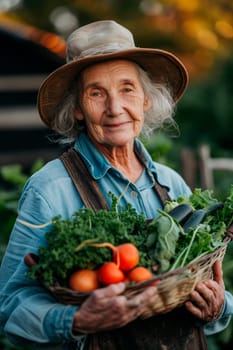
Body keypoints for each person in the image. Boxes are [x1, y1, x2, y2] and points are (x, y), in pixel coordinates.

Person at [0, 20, 232, 350]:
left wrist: (218, 306)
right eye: (96, 93)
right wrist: (78, 320)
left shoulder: (170, 183)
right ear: (77, 108)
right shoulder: (50, 189)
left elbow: (203, 287)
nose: (115, 108)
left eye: (127, 89)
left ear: (145, 100)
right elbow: (10, 308)